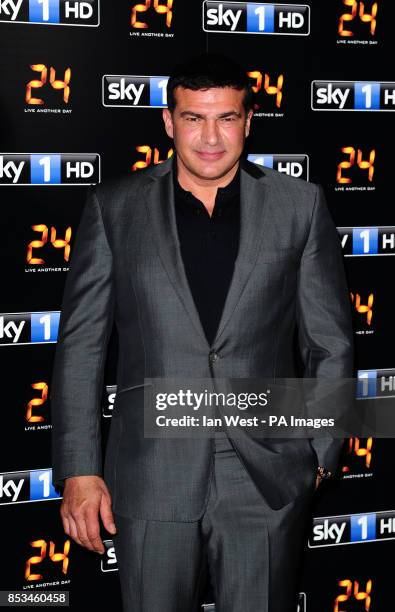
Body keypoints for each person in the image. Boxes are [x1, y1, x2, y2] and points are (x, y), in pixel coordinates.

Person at [50, 52, 354, 611]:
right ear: (169, 122)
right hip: (150, 472)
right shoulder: (113, 206)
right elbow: (81, 348)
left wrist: (320, 451)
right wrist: (79, 469)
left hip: (265, 474)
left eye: (226, 118)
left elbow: (330, 342)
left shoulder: (299, 204)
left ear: (248, 120)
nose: (210, 137)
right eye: (193, 118)